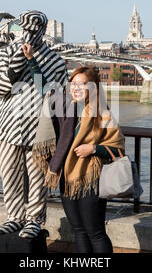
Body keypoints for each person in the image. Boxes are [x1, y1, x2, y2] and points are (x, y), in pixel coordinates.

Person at [0, 10, 68, 239]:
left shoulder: (55, 61)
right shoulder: (6, 53)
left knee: (37, 180)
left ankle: (34, 219)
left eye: (33, 30)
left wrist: (32, 62)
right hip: (9, 127)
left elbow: (54, 97)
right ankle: (14, 217)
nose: (28, 34)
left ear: (42, 31)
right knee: (9, 175)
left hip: (39, 131)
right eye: (25, 29)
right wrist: (14, 68)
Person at [33, 66, 125, 253]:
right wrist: (30, 60)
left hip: (90, 179)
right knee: (79, 231)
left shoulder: (102, 113)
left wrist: (93, 148)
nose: (76, 88)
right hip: (67, 178)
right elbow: (43, 87)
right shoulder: (65, 107)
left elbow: (119, 148)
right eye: (73, 84)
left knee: (95, 232)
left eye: (82, 84)